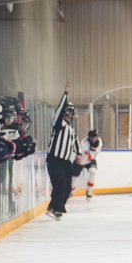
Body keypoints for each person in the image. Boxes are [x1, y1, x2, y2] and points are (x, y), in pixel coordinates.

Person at [45, 83, 78, 220]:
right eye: (67, 113)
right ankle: (57, 209)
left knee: (68, 187)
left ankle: (53, 207)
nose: (69, 116)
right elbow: (58, 111)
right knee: (59, 184)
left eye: (71, 114)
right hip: (54, 159)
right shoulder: (59, 124)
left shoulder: (71, 129)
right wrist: (65, 94)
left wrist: (79, 154)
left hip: (65, 161)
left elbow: (75, 144)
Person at [74, 129, 103, 199]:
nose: (94, 139)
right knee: (73, 177)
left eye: (95, 137)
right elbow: (87, 155)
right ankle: (71, 190)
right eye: (92, 137)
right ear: (89, 137)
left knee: (93, 172)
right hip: (81, 160)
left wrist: (92, 150)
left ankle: (89, 192)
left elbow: (92, 156)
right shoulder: (84, 142)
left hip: (90, 160)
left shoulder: (100, 142)